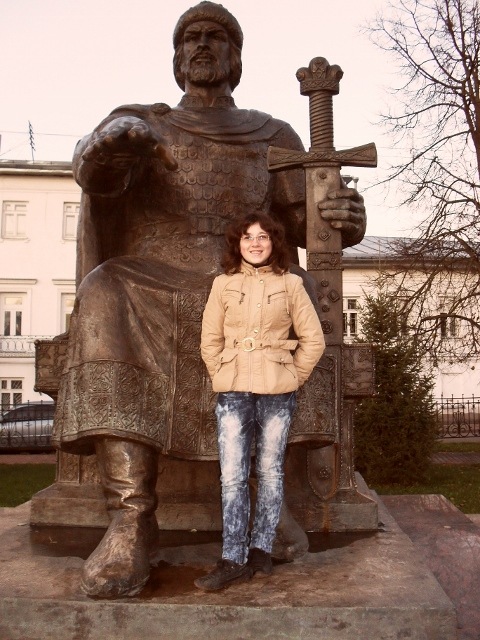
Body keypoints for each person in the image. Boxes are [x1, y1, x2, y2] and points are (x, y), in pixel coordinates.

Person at [52, 1, 366, 598]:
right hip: (152, 278)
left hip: (242, 273)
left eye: (216, 37)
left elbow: (308, 222)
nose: (201, 45)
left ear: (235, 57)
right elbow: (95, 173)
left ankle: (265, 503)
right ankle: (131, 518)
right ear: (176, 58)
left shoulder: (272, 134)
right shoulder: (144, 122)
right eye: (189, 37)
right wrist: (108, 146)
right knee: (104, 288)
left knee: (293, 289)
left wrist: (345, 215)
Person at [196, 213, 325, 591]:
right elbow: (209, 339)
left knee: (269, 473)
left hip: (277, 392)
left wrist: (293, 376)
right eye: (247, 237)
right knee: (232, 477)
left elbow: (313, 340)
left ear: (274, 243)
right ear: (237, 244)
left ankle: (261, 551)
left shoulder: (291, 284)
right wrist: (221, 372)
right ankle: (232, 558)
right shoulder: (223, 284)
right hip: (233, 391)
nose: (255, 243)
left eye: (263, 237)